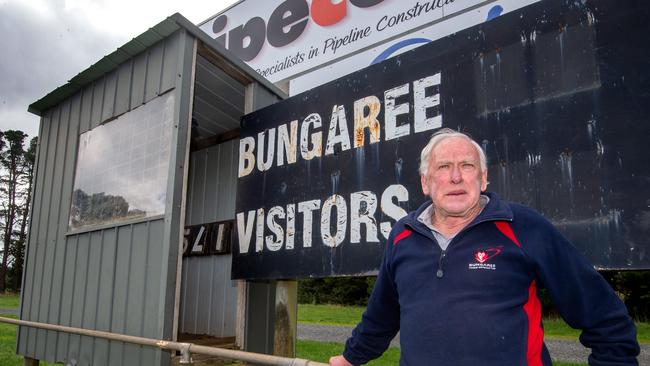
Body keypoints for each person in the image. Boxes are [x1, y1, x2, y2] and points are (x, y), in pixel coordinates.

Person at [329, 128, 640, 365]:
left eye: (466, 165)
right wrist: (350, 358)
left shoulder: (522, 226)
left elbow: (604, 316)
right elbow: (382, 315)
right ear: (425, 182)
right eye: (443, 167)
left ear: (484, 178)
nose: (454, 177)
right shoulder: (403, 234)